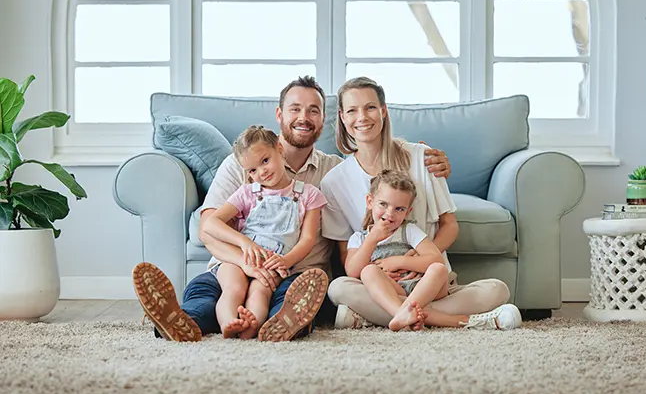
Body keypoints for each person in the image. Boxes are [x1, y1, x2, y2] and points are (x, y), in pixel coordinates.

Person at [132, 75, 452, 343]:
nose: (304, 117)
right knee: (206, 295)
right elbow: (208, 228)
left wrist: (420, 156)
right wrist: (248, 261)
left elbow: (378, 173)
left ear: (324, 119)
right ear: (279, 114)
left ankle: (276, 325)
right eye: (295, 108)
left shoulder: (334, 172)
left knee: (294, 306)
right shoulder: (243, 164)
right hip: (235, 266)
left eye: (313, 110)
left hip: (296, 276)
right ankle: (180, 321)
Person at [321, 76, 522, 331]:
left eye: (370, 107)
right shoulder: (333, 182)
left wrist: (415, 259)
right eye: (352, 110)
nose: (362, 117)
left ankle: (377, 316)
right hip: (380, 283)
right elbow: (347, 260)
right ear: (341, 117)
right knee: (339, 288)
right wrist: (381, 268)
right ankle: (452, 320)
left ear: (383, 111)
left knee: (497, 290)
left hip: (430, 279)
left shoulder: (422, 157)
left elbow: (449, 225)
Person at [202, 125, 327, 339]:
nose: (262, 172)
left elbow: (307, 240)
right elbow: (211, 224)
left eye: (265, 161)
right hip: (239, 259)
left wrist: (286, 262)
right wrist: (244, 243)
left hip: (272, 262)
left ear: (280, 149)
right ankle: (228, 323)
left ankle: (252, 326)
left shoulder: (308, 194)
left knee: (260, 292)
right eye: (252, 170)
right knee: (234, 289)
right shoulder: (246, 193)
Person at [347, 169, 449, 331]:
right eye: (383, 204)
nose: (390, 214)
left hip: (422, 288)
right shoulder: (359, 238)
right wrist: (372, 239)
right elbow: (352, 272)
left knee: (439, 269)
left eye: (399, 209)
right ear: (370, 202)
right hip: (393, 290)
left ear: (408, 212)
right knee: (367, 272)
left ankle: (401, 313)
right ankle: (402, 314)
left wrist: (399, 261)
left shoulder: (408, 230)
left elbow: (435, 259)